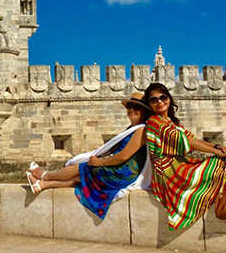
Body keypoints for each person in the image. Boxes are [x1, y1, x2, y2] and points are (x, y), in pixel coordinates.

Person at [26, 92, 151, 219]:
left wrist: (100, 162)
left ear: (145, 112)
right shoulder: (132, 128)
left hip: (122, 173)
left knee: (79, 168)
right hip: (121, 170)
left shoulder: (141, 130)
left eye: (137, 107)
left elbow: (123, 156)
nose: (132, 110)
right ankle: (41, 185)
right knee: (78, 178)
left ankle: (44, 176)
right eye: (130, 106)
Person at [142, 82, 226, 230]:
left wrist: (217, 147)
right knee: (219, 163)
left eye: (163, 97)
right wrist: (216, 152)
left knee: (221, 161)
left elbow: (192, 138)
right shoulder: (154, 123)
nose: (159, 101)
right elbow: (184, 142)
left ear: (169, 99)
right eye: (154, 99)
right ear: (149, 104)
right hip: (168, 172)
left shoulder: (172, 122)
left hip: (180, 164)